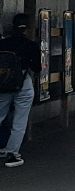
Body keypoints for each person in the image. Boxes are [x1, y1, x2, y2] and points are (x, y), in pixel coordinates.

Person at [0, 14, 40, 168]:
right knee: (20, 120)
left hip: (3, 84)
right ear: (27, 28)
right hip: (23, 84)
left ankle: (3, 149)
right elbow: (36, 68)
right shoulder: (31, 45)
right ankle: (12, 154)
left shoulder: (3, 44)